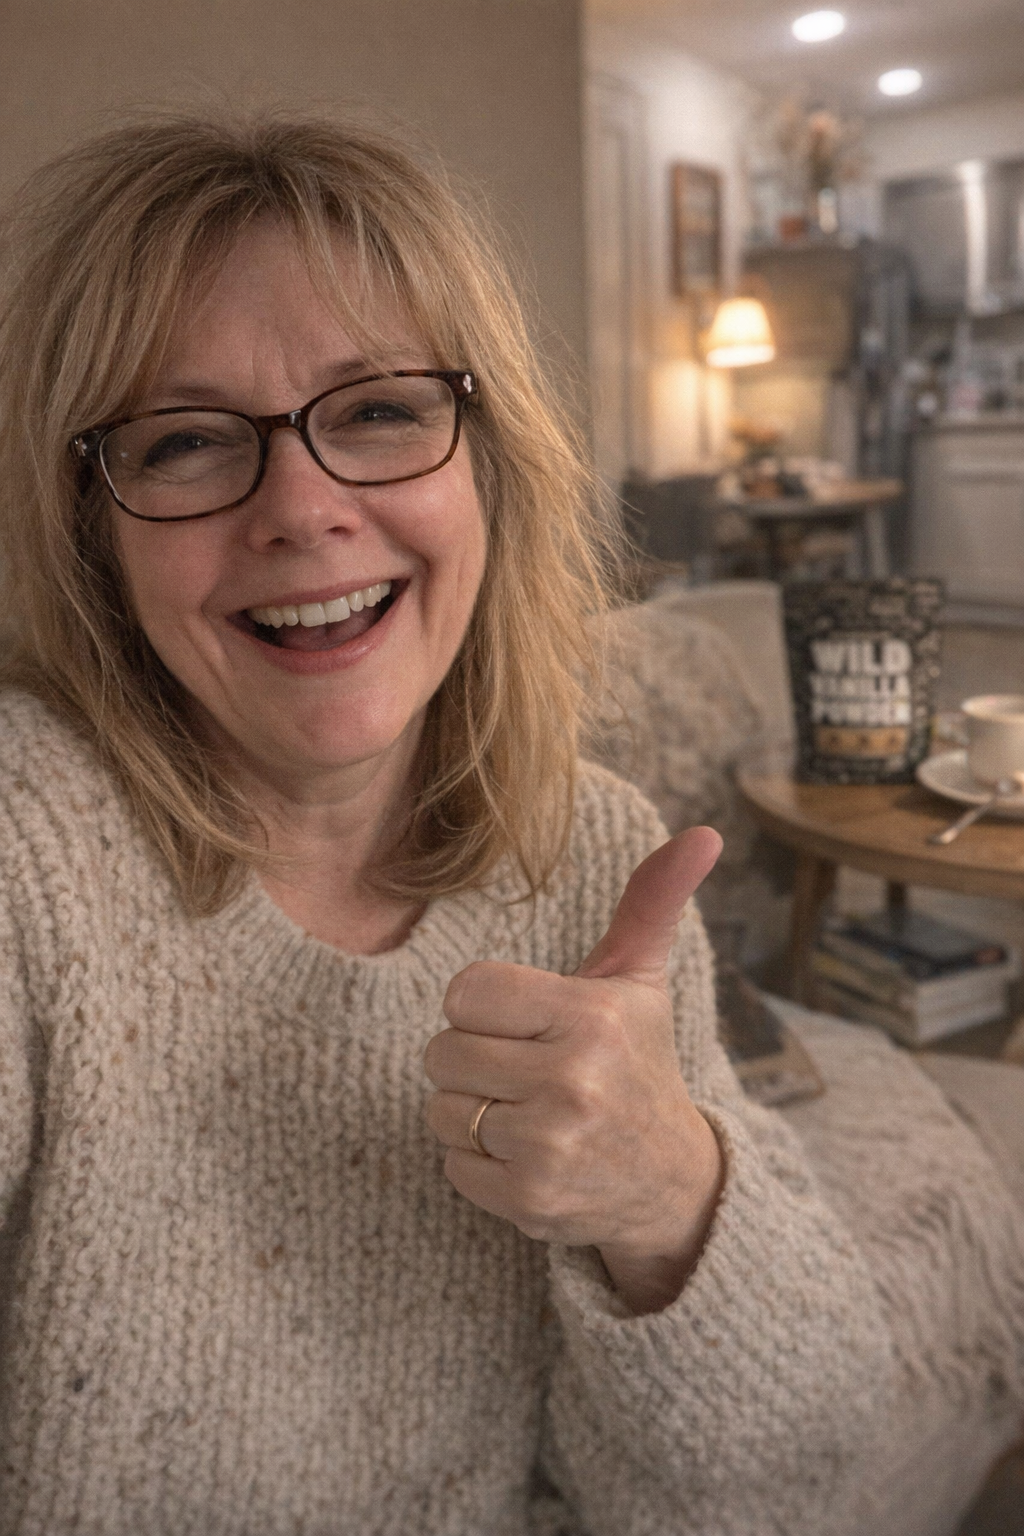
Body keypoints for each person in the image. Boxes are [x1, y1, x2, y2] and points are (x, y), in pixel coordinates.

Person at [0, 112, 894, 1536]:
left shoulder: (593, 852)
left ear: (489, 455)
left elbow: (783, 1480)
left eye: (376, 411)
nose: (303, 508)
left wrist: (669, 1197)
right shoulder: (25, 844)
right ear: (92, 533)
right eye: (183, 440)